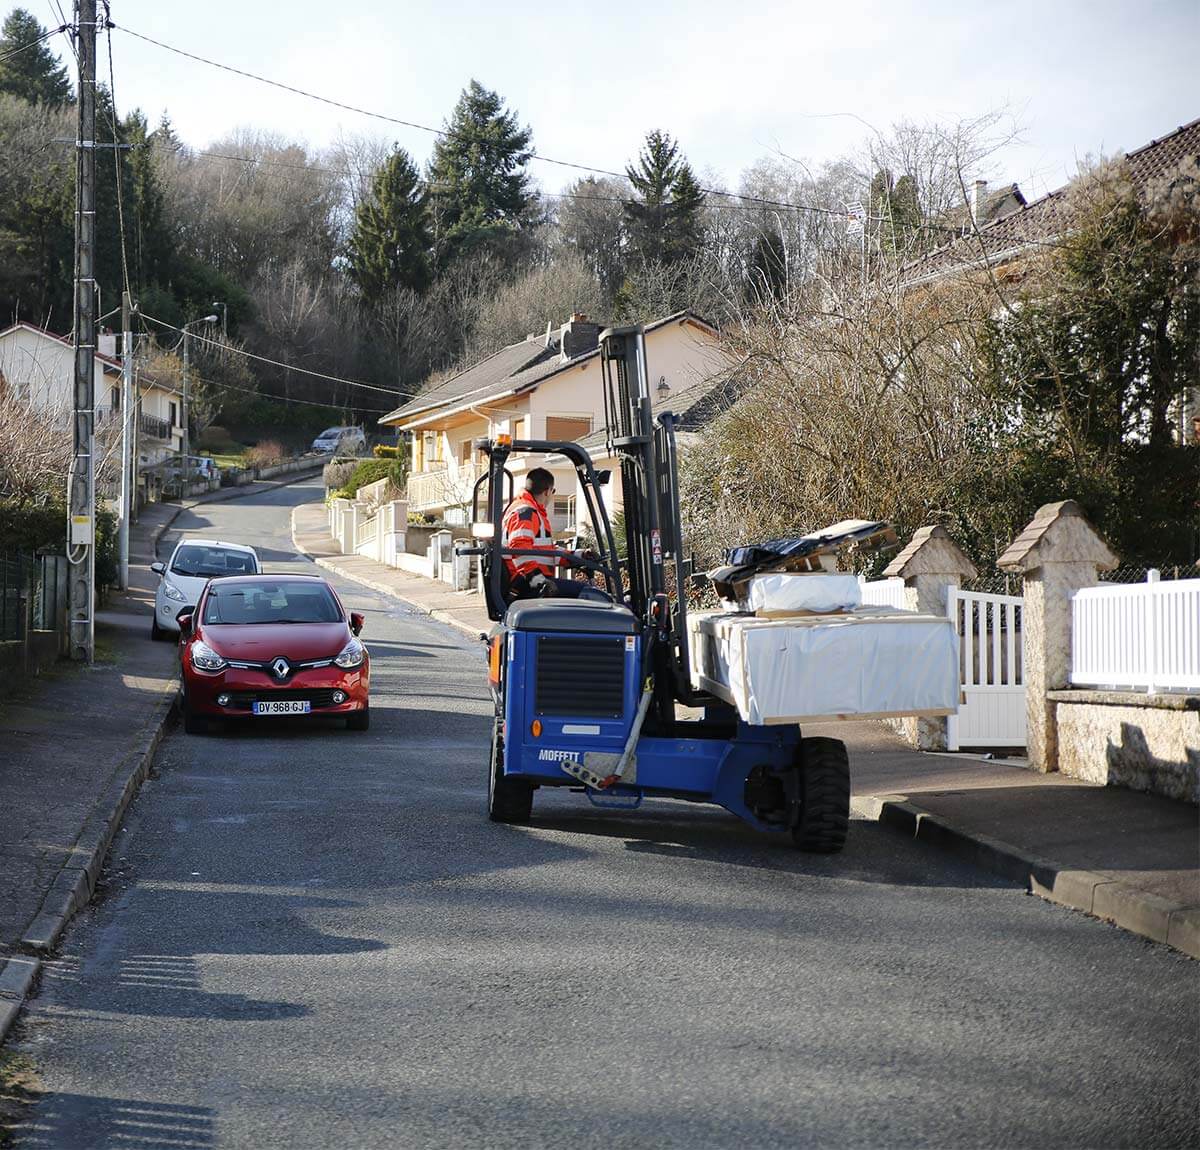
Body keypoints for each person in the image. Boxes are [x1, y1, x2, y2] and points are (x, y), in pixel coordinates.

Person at [502, 468, 588, 600]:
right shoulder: (526, 512)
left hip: (528, 582)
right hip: (527, 585)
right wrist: (539, 580)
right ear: (547, 491)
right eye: (553, 492)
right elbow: (520, 549)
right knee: (589, 594)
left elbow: (545, 552)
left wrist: (578, 556)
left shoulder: (527, 510)